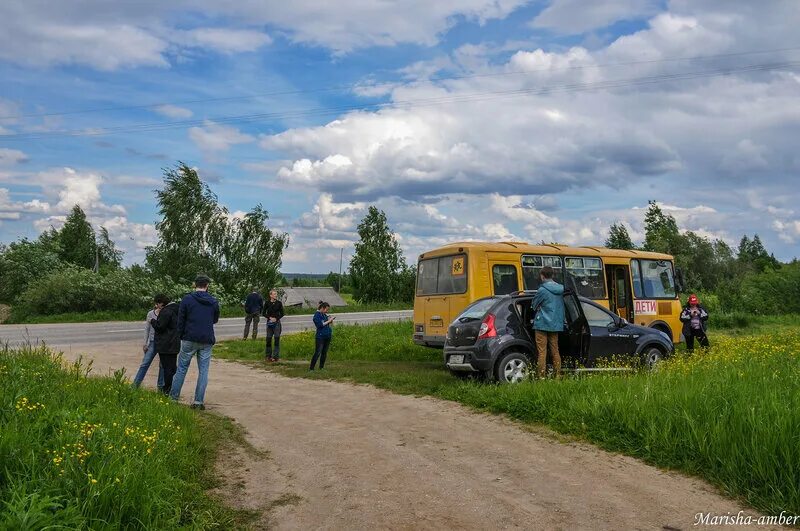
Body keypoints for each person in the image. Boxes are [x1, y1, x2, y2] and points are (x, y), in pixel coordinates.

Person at [170, 275, 220, 410]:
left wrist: (181, 335)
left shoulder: (187, 299)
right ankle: (198, 402)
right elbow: (215, 320)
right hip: (207, 339)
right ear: (207, 286)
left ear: (195, 284)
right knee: (203, 371)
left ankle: (173, 398)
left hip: (189, 337)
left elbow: (180, 320)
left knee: (181, 368)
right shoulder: (213, 301)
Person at [531, 266, 565, 378]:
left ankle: (541, 377)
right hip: (555, 325)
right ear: (553, 275)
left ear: (542, 276)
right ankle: (557, 376)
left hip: (542, 325)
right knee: (555, 351)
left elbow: (534, 305)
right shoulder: (561, 289)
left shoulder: (542, 290)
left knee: (542, 352)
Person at [150, 294, 180, 395]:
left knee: (167, 368)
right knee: (172, 367)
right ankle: (174, 387)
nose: (156, 306)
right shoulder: (178, 308)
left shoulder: (166, 311)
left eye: (157, 304)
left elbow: (160, 327)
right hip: (175, 342)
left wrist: (153, 321)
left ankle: (167, 389)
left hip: (165, 344)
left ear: (161, 303)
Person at [132, 303, 164, 390]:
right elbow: (147, 329)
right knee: (145, 363)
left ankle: (160, 388)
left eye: (163, 304)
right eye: (159, 303)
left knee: (162, 365)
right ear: (156, 304)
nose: (161, 305)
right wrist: (145, 343)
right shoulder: (150, 313)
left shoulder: (166, 313)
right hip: (153, 342)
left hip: (163, 342)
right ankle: (135, 385)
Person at [309, 301, 334, 371]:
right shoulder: (316, 316)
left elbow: (329, 324)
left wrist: (330, 320)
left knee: (324, 352)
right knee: (318, 352)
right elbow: (320, 325)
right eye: (326, 309)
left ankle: (321, 367)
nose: (327, 311)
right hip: (320, 337)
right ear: (322, 308)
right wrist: (329, 321)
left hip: (327, 335)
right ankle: (311, 368)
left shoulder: (324, 315)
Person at [262, 289, 285, 362]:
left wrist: (276, 318)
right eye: (274, 294)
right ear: (270, 295)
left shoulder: (279, 303)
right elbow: (263, 313)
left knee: (276, 339)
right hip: (269, 323)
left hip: (277, 323)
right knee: (268, 339)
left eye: (276, 294)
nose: (276, 295)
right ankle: (268, 356)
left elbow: (282, 313)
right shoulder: (267, 303)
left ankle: (275, 357)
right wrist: (269, 317)